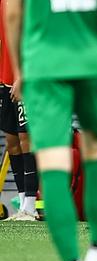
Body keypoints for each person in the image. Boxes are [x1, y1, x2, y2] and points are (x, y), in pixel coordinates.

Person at [6, 0, 97, 261]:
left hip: (44, 67)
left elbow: (11, 12)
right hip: (93, 62)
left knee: (52, 164)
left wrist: (20, 70)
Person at [0, 0, 38, 221]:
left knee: (27, 139)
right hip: (5, 81)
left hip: (26, 81)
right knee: (11, 141)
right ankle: (23, 204)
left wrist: (22, 76)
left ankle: (31, 205)